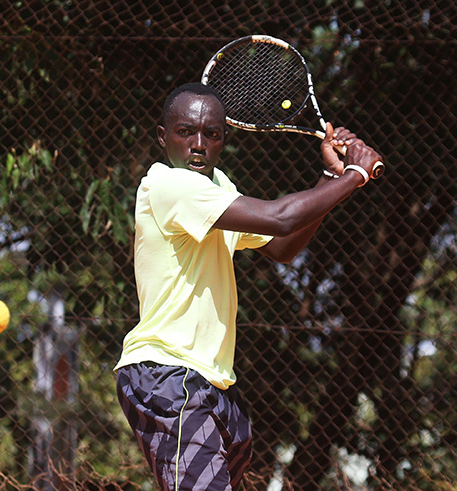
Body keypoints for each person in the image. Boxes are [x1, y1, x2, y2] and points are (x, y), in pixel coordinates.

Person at [114, 82, 382, 490]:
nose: (199, 144)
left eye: (212, 134)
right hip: (168, 374)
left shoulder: (215, 187)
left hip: (214, 383)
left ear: (223, 139)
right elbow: (280, 217)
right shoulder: (168, 185)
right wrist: (352, 176)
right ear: (162, 136)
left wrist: (331, 175)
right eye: (185, 132)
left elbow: (281, 246)